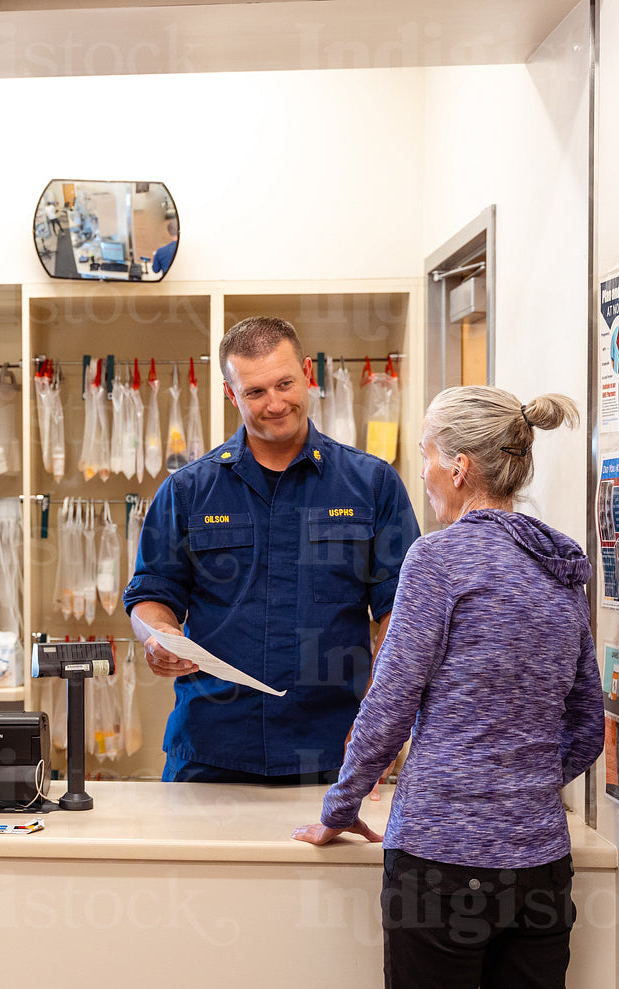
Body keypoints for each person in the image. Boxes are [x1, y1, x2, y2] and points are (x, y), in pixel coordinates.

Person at [293, 386, 605, 989]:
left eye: (427, 454)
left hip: (440, 864)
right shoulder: (561, 564)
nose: (425, 472)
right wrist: (525, 784)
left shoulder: (440, 558)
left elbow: (389, 706)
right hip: (539, 866)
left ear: (458, 468)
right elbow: (589, 724)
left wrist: (341, 807)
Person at [124, 316, 419, 784]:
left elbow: (401, 615)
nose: (275, 403)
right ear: (230, 393)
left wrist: (380, 725)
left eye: (285, 383)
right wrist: (155, 635)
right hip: (210, 749)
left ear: (307, 372)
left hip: (333, 752)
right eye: (256, 392)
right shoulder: (187, 491)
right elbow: (151, 593)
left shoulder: (372, 484)